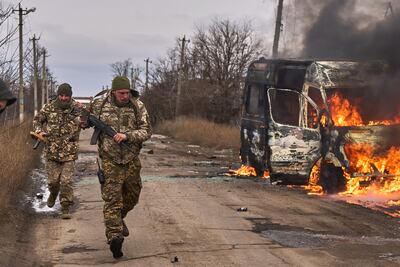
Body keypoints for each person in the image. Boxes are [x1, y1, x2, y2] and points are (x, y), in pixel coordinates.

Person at [89, 76, 151, 258]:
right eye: (122, 93)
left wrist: (127, 135)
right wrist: (83, 121)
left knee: (133, 196)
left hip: (131, 159)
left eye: (127, 93)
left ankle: (118, 218)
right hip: (110, 160)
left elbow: (147, 131)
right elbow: (83, 121)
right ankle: (114, 237)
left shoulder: (137, 106)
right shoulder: (99, 104)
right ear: (113, 91)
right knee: (112, 200)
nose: (125, 96)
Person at [32, 83, 81, 219]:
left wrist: (82, 111)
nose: (64, 98)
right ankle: (53, 193)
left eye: (66, 96)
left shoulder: (76, 109)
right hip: (52, 151)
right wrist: (39, 130)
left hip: (70, 152)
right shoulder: (49, 107)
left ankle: (65, 207)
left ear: (70, 96)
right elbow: (37, 120)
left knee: (66, 181)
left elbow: (86, 121)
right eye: (61, 95)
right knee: (53, 182)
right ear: (58, 95)